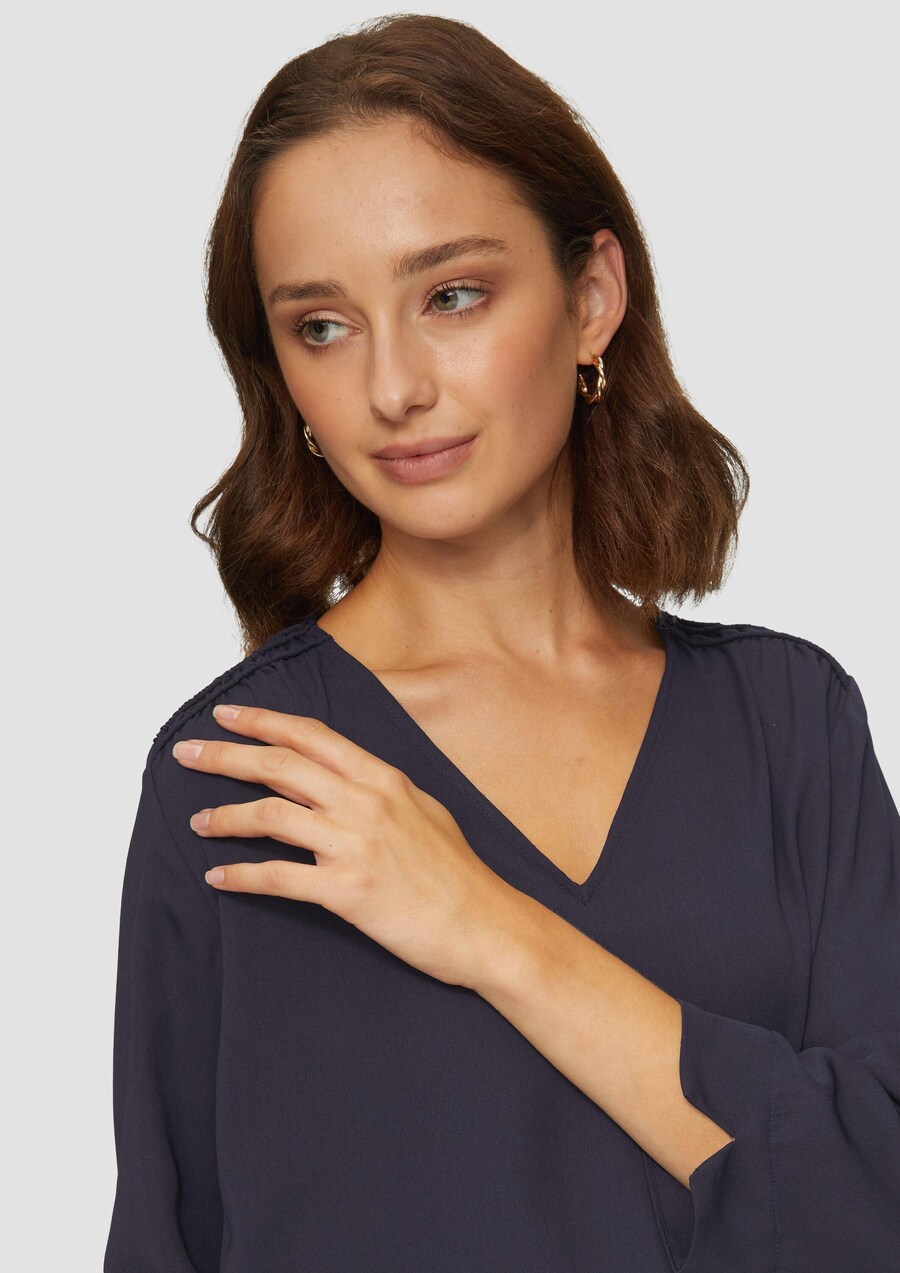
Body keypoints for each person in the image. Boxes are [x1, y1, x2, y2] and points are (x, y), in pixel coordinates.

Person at [103, 14, 900, 1273]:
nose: (393, 388)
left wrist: (485, 923)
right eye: (323, 326)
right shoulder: (246, 778)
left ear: (592, 299)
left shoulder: (789, 726)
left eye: (452, 296)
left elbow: (876, 1197)